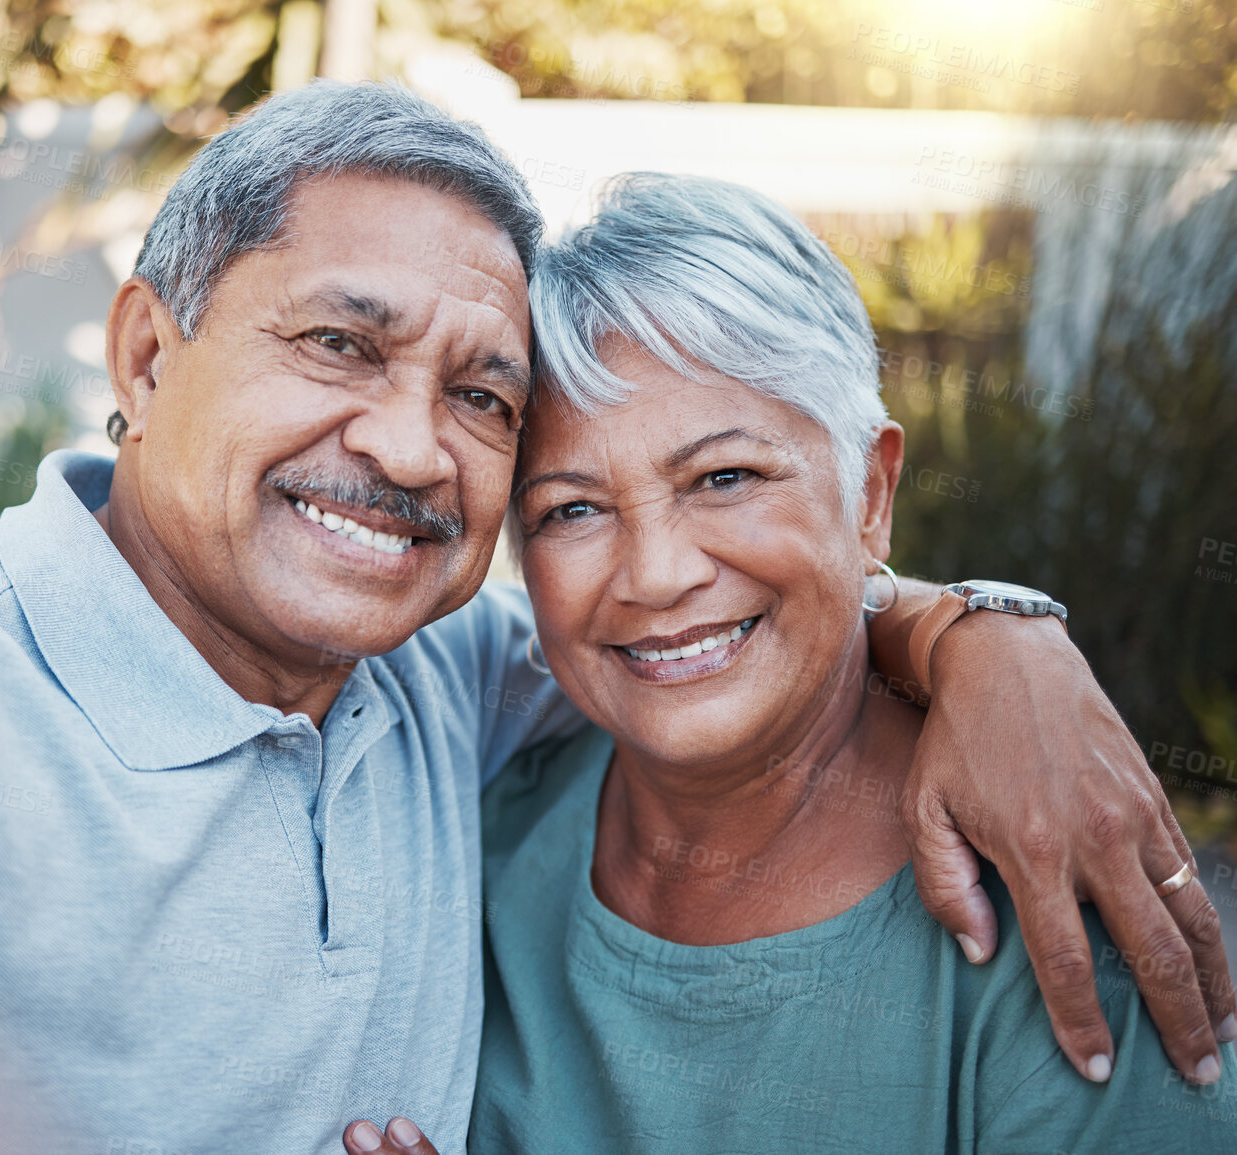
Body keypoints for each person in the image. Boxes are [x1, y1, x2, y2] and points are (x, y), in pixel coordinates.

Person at [0, 84, 1228, 1153]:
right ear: (143, 357)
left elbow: (735, 608)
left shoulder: (443, 682)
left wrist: (988, 637)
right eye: (338, 346)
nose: (412, 447)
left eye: (482, 400)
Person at [448, 173, 1235, 1152]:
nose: (653, 575)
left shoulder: (1052, 897)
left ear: (871, 497)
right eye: (571, 509)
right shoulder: (469, 834)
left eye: (725, 477)